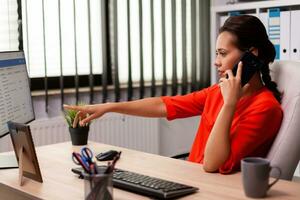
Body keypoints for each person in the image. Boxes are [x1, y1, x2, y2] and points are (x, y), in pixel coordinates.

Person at [64, 15, 283, 174]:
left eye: (223, 54)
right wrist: (110, 106)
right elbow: (165, 105)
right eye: (216, 53)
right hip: (191, 178)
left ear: (251, 55)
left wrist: (229, 105)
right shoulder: (217, 91)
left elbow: (212, 164)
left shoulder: (266, 108)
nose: (216, 62)